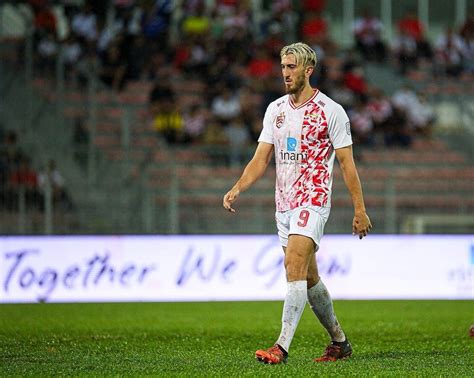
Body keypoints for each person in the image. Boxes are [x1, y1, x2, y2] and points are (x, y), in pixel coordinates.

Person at [222, 42, 372, 364]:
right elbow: (261, 158)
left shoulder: (331, 111)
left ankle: (281, 347)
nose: (286, 73)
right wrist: (238, 187)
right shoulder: (275, 110)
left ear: (308, 70)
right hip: (284, 204)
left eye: (292, 67)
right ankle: (339, 342)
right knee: (308, 277)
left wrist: (360, 209)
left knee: (292, 266)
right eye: (283, 67)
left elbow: (347, 165)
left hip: (313, 200)